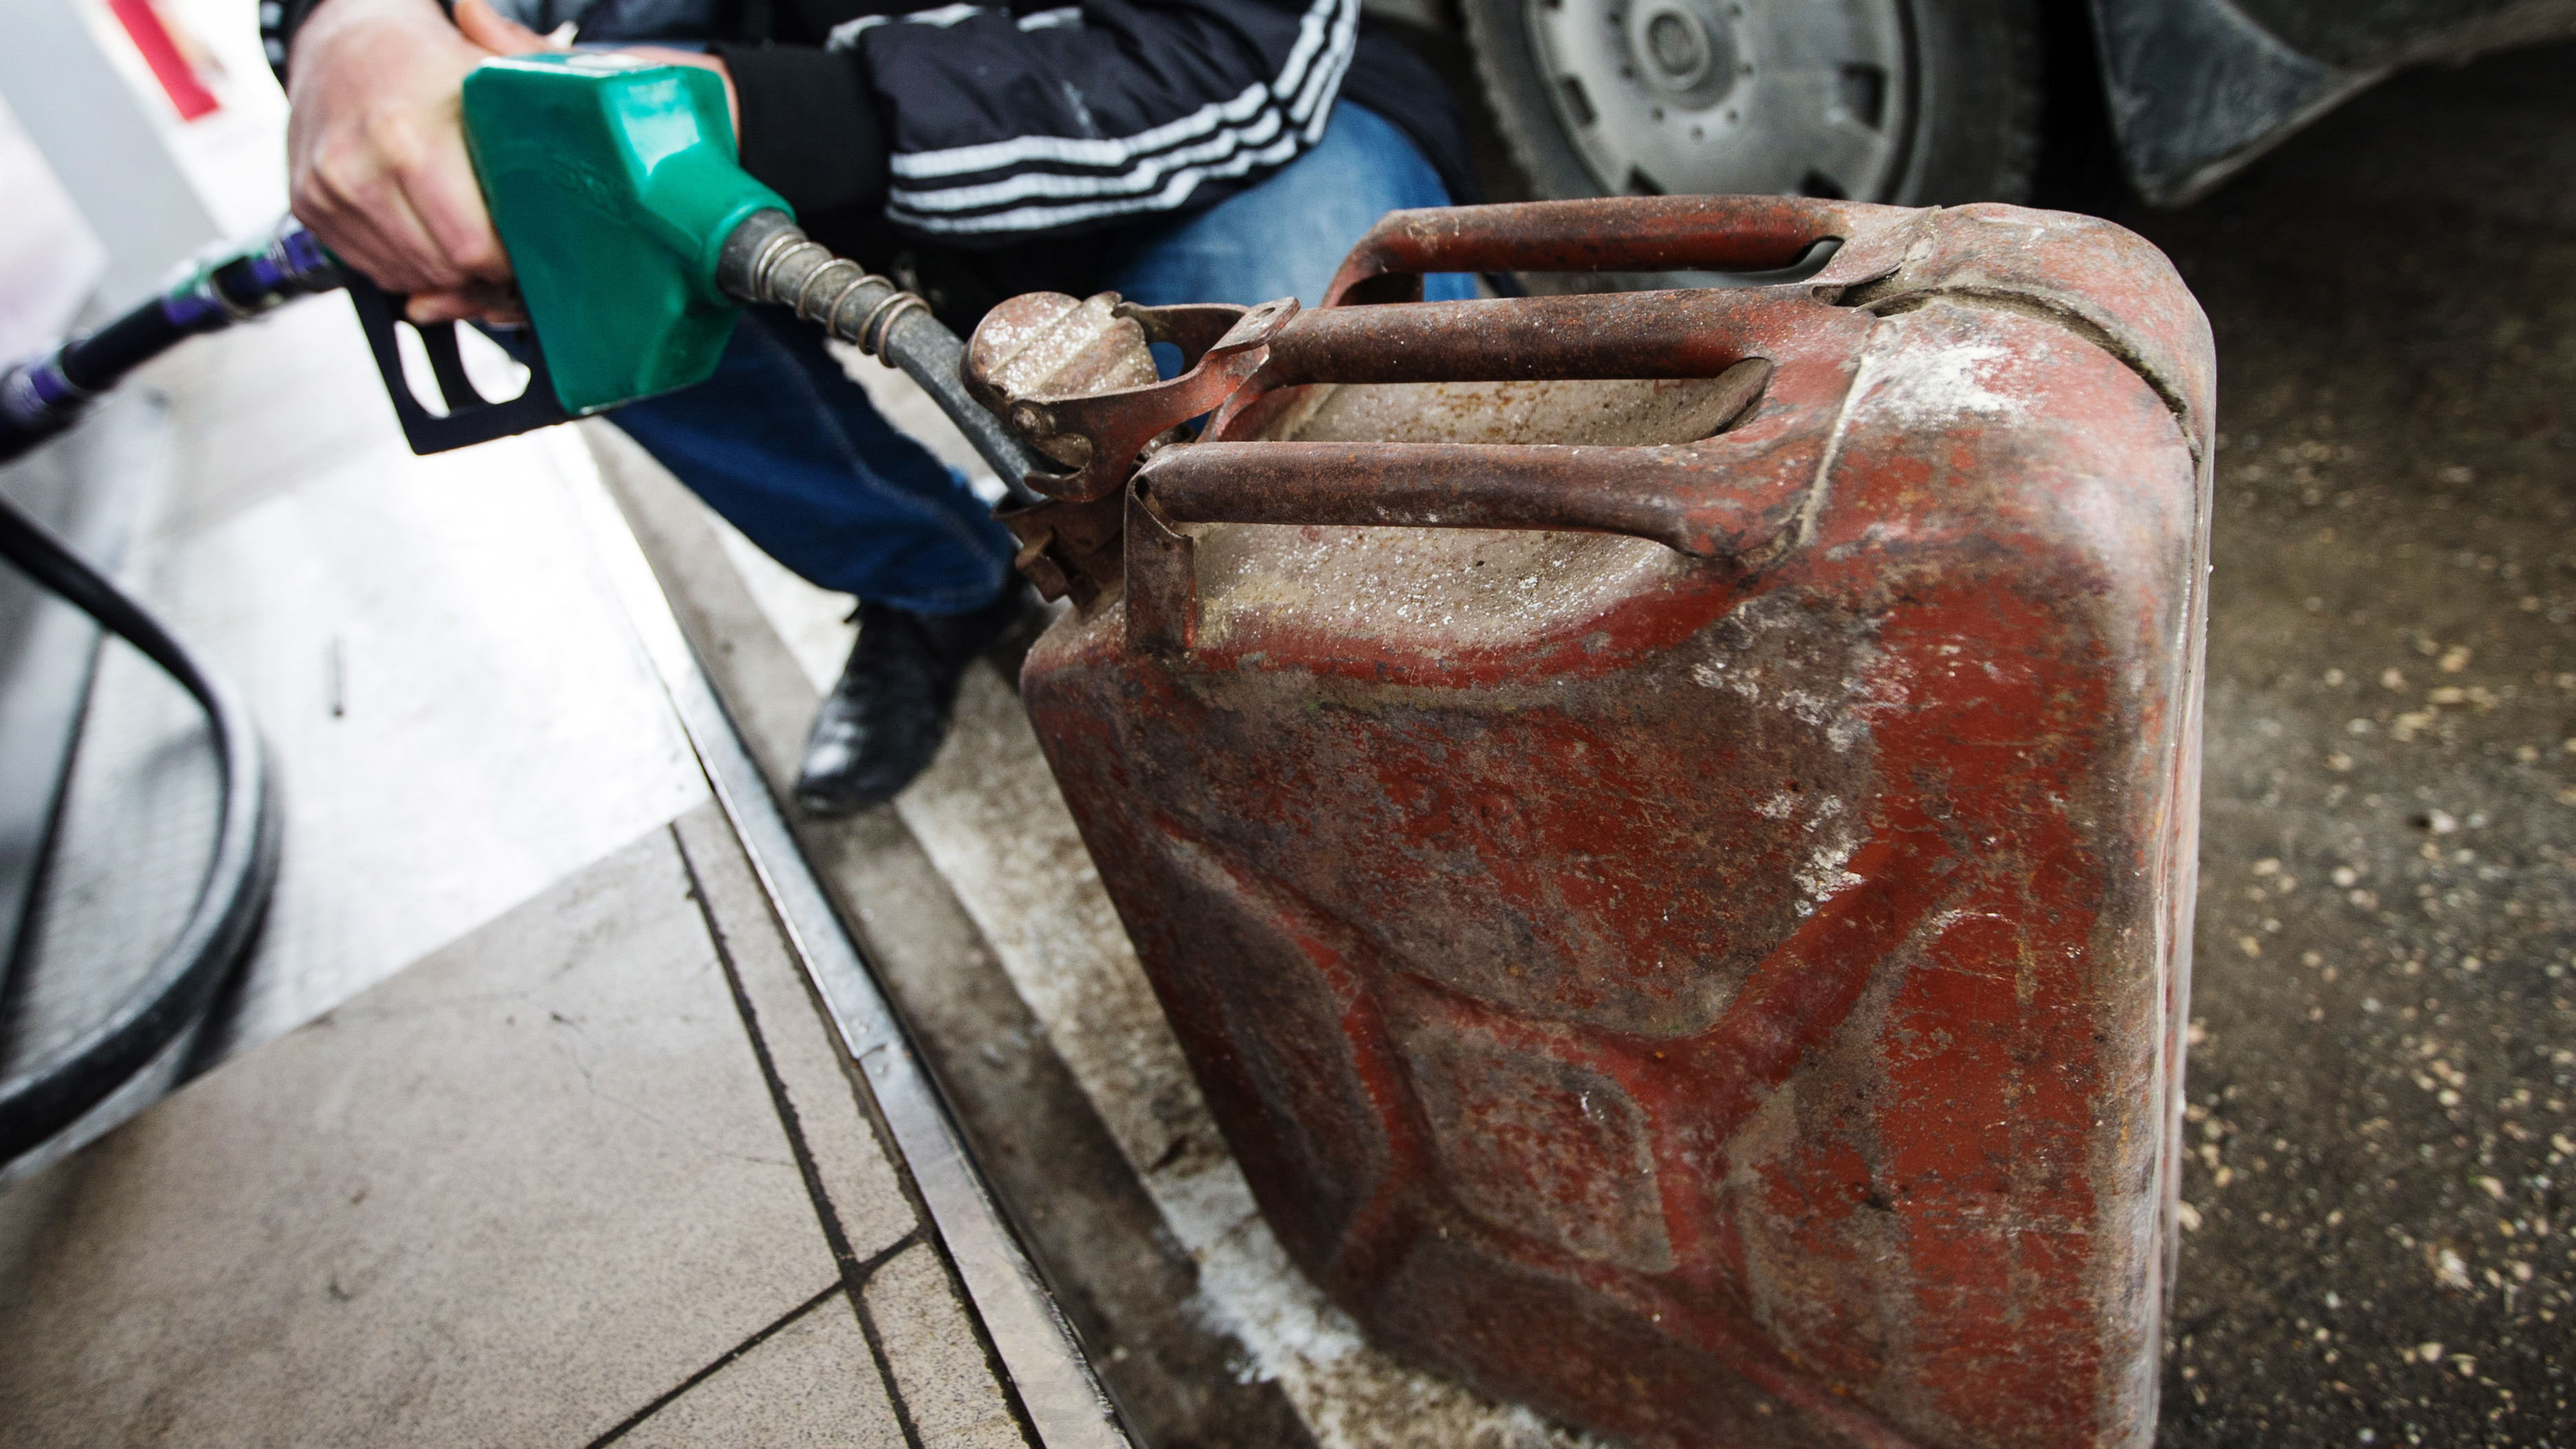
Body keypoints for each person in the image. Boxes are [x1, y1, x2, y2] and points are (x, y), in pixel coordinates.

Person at [263, 0, 1480, 813]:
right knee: (553, 263)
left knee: (1378, 525)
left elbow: (1248, 46)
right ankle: (932, 575)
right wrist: (347, 23)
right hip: (795, 147)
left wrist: (778, 114)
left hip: (1204, 132)